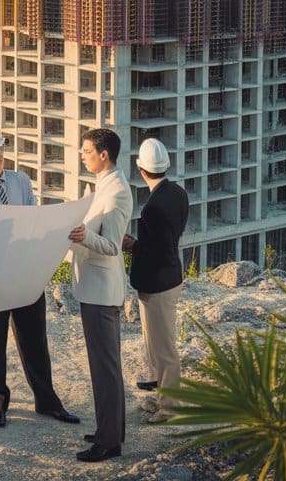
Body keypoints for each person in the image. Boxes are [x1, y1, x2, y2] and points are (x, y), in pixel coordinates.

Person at [0, 127, 80, 429]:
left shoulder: (21, 181)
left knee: (35, 340)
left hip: (25, 271)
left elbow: (33, 219)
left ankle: (48, 402)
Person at [67, 128, 132, 463]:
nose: (82, 155)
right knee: (103, 366)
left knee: (105, 368)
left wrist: (83, 236)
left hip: (102, 291)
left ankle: (109, 442)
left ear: (103, 154)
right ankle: (111, 430)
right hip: (91, 287)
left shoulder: (118, 191)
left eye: (87, 150)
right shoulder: (103, 185)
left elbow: (113, 246)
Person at [122, 138, 189, 423]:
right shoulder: (177, 193)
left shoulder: (151, 208)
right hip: (172, 277)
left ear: (141, 170)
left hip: (157, 285)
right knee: (157, 346)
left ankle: (170, 406)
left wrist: (132, 245)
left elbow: (154, 252)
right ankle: (162, 397)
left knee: (163, 349)